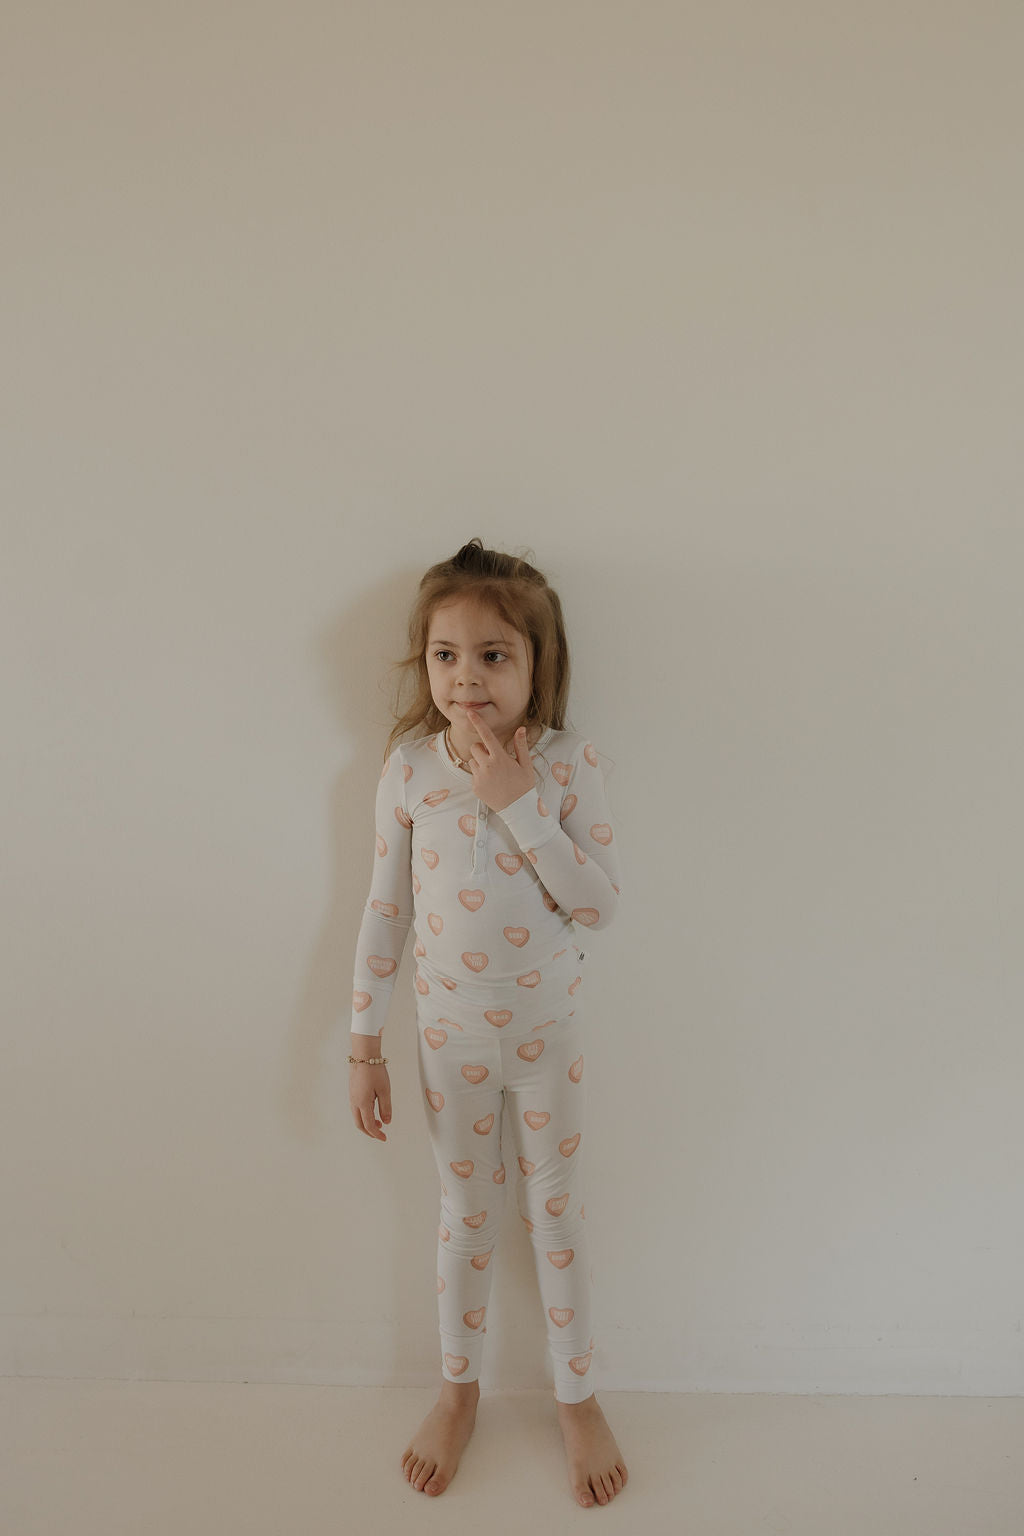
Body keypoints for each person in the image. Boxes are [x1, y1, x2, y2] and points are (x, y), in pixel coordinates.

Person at [348, 537, 628, 1508]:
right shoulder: (409, 769)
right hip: (447, 1041)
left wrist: (518, 804)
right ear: (423, 664)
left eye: (494, 655)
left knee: (554, 1215)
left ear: (536, 665)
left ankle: (577, 1396)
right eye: (446, 655)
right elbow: (382, 911)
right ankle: (457, 1391)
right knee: (464, 1218)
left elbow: (596, 904)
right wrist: (361, 1045)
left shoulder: (565, 761)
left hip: (546, 1039)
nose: (466, 678)